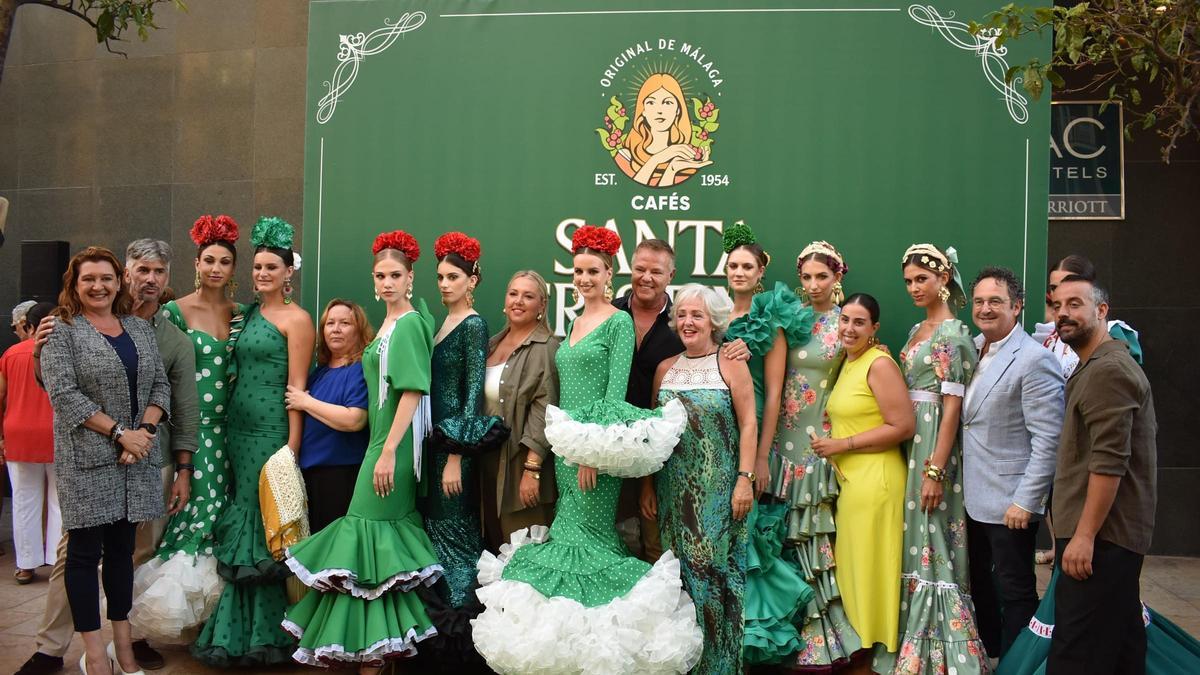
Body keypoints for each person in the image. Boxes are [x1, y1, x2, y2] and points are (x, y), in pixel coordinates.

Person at [472, 225, 701, 674]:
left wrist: (591, 454)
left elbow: (615, 395)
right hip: (565, 454)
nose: (583, 278)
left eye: (592, 271)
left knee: (590, 548)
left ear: (608, 273)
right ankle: (570, 654)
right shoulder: (574, 322)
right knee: (567, 543)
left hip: (597, 454)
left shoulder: (617, 322)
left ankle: (605, 654)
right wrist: (564, 454)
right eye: (577, 271)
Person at [283, 230, 442, 670]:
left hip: (390, 444)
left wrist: (389, 450)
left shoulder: (408, 323)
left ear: (410, 278)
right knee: (371, 555)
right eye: (380, 275)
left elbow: (411, 392)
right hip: (380, 441)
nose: (387, 282)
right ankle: (374, 656)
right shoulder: (390, 323)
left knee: (364, 541)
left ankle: (372, 655)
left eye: (395, 275)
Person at [39, 247, 172, 675]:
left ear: (119, 282)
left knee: (121, 553)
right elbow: (64, 394)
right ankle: (94, 654)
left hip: (136, 462)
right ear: (74, 285)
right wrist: (121, 433)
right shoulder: (62, 330)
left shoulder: (139, 327)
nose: (98, 286)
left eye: (106, 278)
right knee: (82, 554)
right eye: (88, 279)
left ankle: (124, 647)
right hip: (88, 461)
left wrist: (146, 433)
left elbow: (160, 386)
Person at [192, 216, 313, 667]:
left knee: (265, 527)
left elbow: (297, 390)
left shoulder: (298, 320)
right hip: (235, 432)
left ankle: (268, 632)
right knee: (242, 520)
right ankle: (234, 630)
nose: (263, 274)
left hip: (271, 435)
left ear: (288, 274)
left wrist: (291, 450)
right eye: (258, 267)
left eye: (271, 268)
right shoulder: (246, 314)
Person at [874, 243, 988, 674]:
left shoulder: (953, 334)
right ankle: (912, 640)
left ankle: (942, 652)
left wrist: (936, 470)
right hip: (910, 439)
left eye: (922, 278)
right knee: (915, 538)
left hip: (934, 445)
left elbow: (953, 408)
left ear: (944, 279)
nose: (914, 287)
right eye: (908, 280)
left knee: (933, 536)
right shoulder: (916, 332)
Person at [130, 218, 239, 644]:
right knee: (185, 523)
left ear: (234, 269)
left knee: (218, 521)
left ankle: (213, 625)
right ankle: (150, 624)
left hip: (231, 435)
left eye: (225, 261)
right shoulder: (173, 313)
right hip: (187, 433)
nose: (216, 268)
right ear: (196, 264)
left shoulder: (241, 314)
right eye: (209, 260)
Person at [1045, 275, 1157, 674]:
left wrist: (1084, 535)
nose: (1063, 314)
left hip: (1103, 540)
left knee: (1074, 655)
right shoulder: (1094, 365)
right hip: (1105, 539)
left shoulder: (1109, 369)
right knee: (1120, 648)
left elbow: (1110, 461)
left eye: (1075, 304)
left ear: (1102, 311)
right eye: (1057, 306)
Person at [647, 283, 755, 675]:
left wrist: (746, 479)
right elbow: (653, 433)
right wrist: (646, 486)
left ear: (714, 321)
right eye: (682, 315)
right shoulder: (665, 368)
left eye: (697, 315)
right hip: (672, 492)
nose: (688, 322)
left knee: (713, 577)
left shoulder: (730, 362)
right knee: (677, 578)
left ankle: (720, 666)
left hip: (719, 494)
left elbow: (748, 423)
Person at [416, 232, 508, 669]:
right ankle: (436, 640)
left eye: (454, 277)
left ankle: (461, 648)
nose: (444, 284)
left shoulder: (474, 324)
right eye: (440, 277)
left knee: (458, 538)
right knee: (437, 534)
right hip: (434, 448)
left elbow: (473, 397)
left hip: (456, 452)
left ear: (473, 280)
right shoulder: (440, 323)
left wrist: (456, 455)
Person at [962, 267, 1063, 659]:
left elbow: (1049, 439)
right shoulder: (969, 349)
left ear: (1017, 307)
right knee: (979, 586)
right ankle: (989, 656)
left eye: (996, 302)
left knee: (1016, 589)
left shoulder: (1034, 360)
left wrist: (1026, 501)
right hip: (969, 496)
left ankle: (1019, 663)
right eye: (980, 301)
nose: (986, 309)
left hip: (1010, 502)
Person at [811, 293, 912, 667]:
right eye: (845, 320)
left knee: (873, 566)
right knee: (857, 568)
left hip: (877, 481)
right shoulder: (848, 363)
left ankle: (876, 653)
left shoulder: (879, 363)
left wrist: (843, 444)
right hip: (853, 482)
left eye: (859, 322)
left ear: (874, 329)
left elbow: (902, 426)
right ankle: (862, 649)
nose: (849, 328)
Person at [612, 237, 682, 562]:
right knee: (615, 540)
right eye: (640, 269)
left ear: (670, 276)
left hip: (665, 455)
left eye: (656, 271)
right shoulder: (610, 314)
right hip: (609, 447)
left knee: (657, 547)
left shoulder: (683, 324)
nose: (646, 278)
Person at [480, 270, 559, 550]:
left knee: (520, 552)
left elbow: (545, 409)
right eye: (513, 294)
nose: (518, 301)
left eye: (528, 296)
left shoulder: (547, 348)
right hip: (487, 463)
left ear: (542, 306)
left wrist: (532, 469)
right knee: (492, 550)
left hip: (520, 467)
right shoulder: (491, 344)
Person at [288, 298, 373, 532]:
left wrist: (306, 402)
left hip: (340, 473)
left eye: (345, 323)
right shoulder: (320, 372)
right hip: (312, 472)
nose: (335, 329)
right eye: (329, 323)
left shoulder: (358, 369)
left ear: (358, 330)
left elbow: (355, 419)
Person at [1, 301, 59, 584]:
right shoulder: (63, 351)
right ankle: (60, 563)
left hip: (19, 434)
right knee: (61, 503)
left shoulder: (11, 353)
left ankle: (26, 564)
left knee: (24, 500)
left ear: (30, 326)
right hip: (56, 434)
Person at [1034, 254, 1143, 378]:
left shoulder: (1113, 331)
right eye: (1054, 288)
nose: (1060, 292)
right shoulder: (1051, 338)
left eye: (1068, 282)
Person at [615, 72, 711, 186]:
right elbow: (634, 188)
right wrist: (657, 159)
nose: (659, 110)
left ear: (678, 110)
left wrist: (672, 169)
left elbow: (672, 192)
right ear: (643, 110)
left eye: (667, 102)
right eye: (651, 102)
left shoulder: (686, 158)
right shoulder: (626, 156)